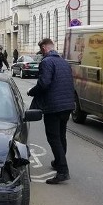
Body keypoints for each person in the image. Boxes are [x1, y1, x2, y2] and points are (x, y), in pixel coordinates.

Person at [27, 38, 75, 184]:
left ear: (43, 48)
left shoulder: (46, 62)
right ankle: (59, 161)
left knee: (53, 137)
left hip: (53, 106)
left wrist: (32, 91)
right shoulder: (63, 62)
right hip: (67, 105)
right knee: (61, 136)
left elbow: (44, 83)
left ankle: (62, 170)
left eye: (41, 50)